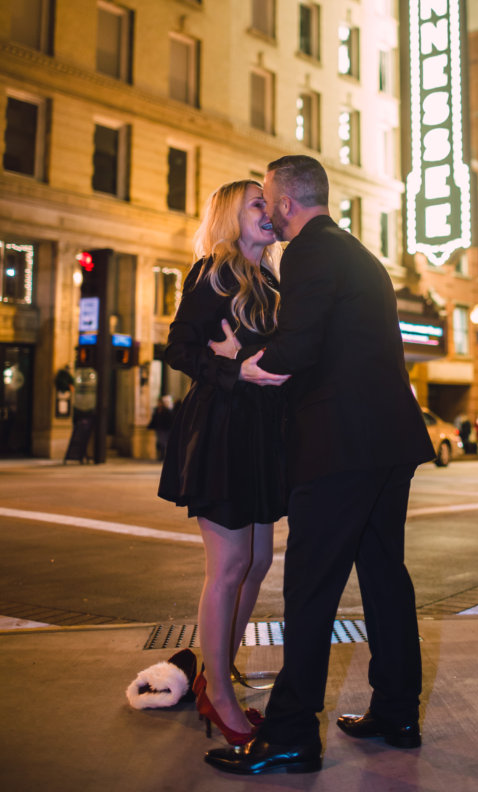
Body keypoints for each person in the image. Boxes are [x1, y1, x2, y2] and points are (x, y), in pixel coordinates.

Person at [205, 155, 434, 777]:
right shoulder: (359, 254)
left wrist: (240, 360)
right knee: (385, 576)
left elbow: (295, 351)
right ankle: (396, 711)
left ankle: (290, 735)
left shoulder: (306, 253)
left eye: (269, 203)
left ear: (284, 204)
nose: (270, 217)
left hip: (340, 446)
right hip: (388, 442)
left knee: (310, 586)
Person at [157, 180, 288, 746]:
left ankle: (217, 673)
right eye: (257, 203)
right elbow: (179, 348)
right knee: (230, 566)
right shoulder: (213, 271)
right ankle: (220, 697)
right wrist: (235, 370)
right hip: (223, 428)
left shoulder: (270, 280)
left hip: (260, 433)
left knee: (258, 561)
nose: (270, 211)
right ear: (233, 216)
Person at [147, 394, 174, 460]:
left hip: (165, 429)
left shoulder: (167, 411)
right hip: (159, 428)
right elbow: (154, 419)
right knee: (159, 442)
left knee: (164, 442)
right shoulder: (157, 410)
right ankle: (161, 455)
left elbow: (169, 420)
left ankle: (164, 456)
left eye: (159, 402)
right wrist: (150, 426)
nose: (158, 404)